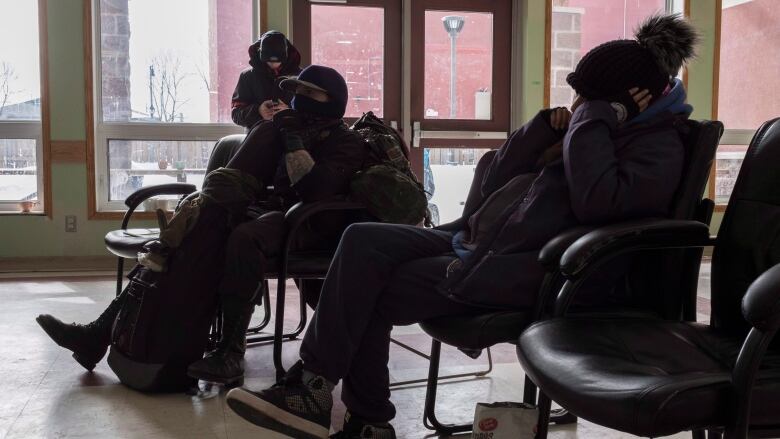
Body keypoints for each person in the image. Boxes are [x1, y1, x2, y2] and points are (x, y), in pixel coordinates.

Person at [223, 14, 699, 439]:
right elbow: (488, 185)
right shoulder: (592, 131)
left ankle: (353, 412)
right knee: (361, 240)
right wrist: (540, 131)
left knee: (372, 286)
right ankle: (325, 394)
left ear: (622, 103)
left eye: (585, 96)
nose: (574, 103)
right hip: (477, 238)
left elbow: (600, 204)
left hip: (530, 268)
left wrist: (591, 120)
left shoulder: (656, 145)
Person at [35, 65, 367, 388]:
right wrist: (274, 130)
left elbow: (314, 189)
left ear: (333, 100)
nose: (299, 98)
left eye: (310, 93)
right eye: (297, 91)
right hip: (273, 214)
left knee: (242, 238)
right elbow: (246, 178)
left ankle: (230, 351)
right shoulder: (281, 129)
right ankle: (99, 332)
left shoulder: (346, 142)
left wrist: (291, 136)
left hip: (310, 225)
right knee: (197, 229)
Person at [232, 30, 303, 129]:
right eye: (268, 61)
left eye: (278, 61)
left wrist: (289, 111)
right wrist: (258, 111)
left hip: (292, 137)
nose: (273, 65)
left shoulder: (301, 77)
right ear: (260, 53)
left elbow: (312, 113)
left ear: (287, 54)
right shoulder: (247, 76)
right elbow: (236, 114)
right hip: (258, 137)